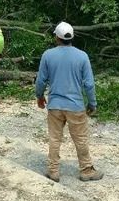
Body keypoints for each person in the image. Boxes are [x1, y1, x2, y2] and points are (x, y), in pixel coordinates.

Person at [35, 21, 103, 182]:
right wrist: (92, 103)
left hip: (55, 105)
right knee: (80, 139)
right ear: (72, 37)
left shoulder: (48, 55)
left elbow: (41, 80)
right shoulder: (82, 56)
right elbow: (89, 84)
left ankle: (53, 171)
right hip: (75, 106)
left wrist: (39, 96)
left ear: (57, 37)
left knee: (54, 138)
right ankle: (86, 170)